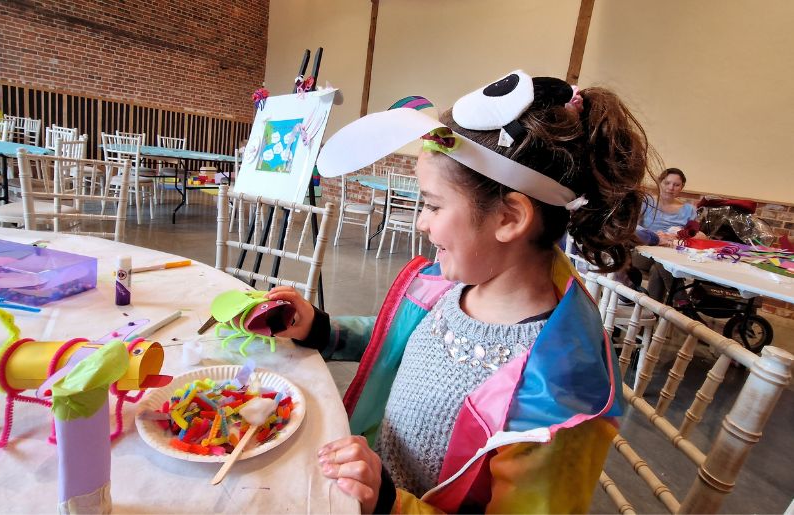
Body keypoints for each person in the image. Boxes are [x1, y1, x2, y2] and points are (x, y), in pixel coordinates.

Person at [266, 70, 650, 513]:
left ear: (509, 218)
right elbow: (404, 340)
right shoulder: (461, 282)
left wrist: (389, 502)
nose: (420, 222)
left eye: (432, 205)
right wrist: (321, 328)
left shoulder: (558, 395)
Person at [632, 168, 698, 302]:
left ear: (682, 187)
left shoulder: (689, 209)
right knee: (663, 262)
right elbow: (632, 226)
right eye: (667, 183)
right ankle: (683, 302)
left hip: (672, 252)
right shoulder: (647, 201)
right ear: (659, 182)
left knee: (659, 267)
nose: (671, 188)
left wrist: (677, 236)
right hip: (643, 251)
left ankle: (652, 312)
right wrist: (653, 236)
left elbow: (693, 234)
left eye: (676, 185)